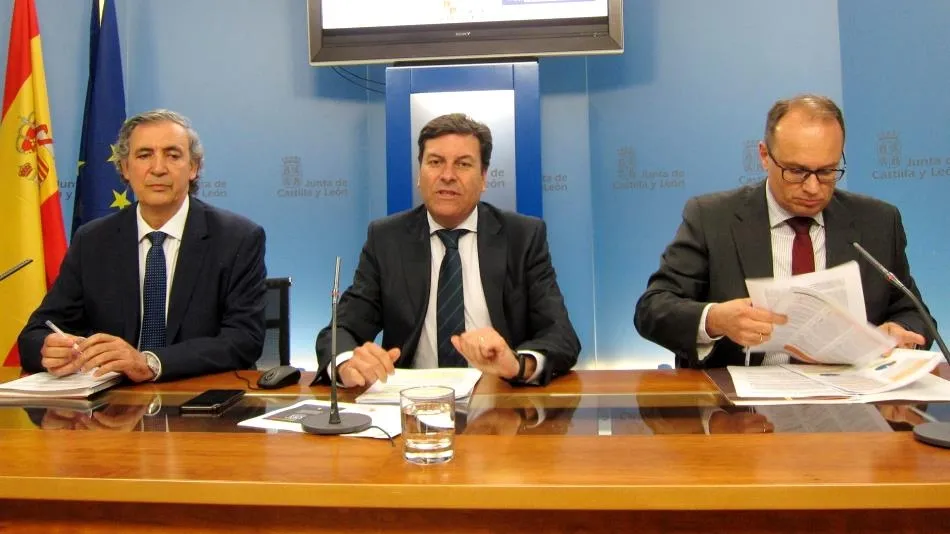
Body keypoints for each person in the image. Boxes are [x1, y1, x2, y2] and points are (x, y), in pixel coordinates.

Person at [635, 94, 932, 369]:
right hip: (738, 400)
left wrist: (899, 332)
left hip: (850, 395)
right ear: (764, 156)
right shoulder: (712, 218)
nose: (813, 187)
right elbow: (652, 309)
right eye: (797, 171)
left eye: (827, 172)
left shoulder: (878, 221)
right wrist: (714, 320)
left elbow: (914, 314)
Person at [315, 113, 580, 387]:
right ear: (419, 174)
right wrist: (347, 363)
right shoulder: (386, 239)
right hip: (412, 400)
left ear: (483, 177)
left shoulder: (522, 237)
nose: (447, 176)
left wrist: (518, 364)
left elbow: (561, 336)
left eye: (463, 164)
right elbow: (340, 330)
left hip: (500, 399)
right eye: (435, 162)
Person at [18, 109, 266, 382]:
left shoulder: (237, 238)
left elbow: (244, 339)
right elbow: (35, 334)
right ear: (125, 168)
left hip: (198, 394)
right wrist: (50, 348)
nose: (158, 168)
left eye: (172, 155)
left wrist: (150, 362)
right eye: (144, 155)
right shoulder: (92, 240)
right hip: (111, 400)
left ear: (193, 168)